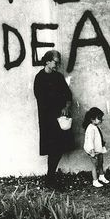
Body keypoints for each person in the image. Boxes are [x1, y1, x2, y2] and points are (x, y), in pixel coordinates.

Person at [33, 50, 73, 187]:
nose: (58, 65)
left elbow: (68, 95)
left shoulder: (59, 77)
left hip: (60, 119)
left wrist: (66, 107)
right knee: (52, 149)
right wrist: (56, 108)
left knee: (59, 148)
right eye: (56, 62)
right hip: (48, 120)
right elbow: (42, 100)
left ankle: (51, 177)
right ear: (47, 61)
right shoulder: (39, 78)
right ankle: (50, 178)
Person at [83, 107, 110, 188]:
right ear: (92, 119)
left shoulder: (95, 127)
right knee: (94, 165)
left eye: (101, 118)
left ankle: (101, 176)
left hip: (99, 149)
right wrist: (92, 151)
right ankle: (95, 180)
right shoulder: (90, 128)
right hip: (93, 151)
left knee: (100, 163)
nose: (101, 120)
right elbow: (90, 141)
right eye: (99, 118)